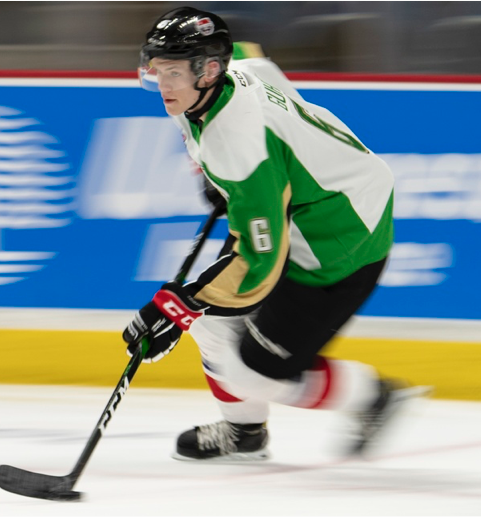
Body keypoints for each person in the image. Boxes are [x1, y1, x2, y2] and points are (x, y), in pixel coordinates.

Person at [123, 6, 427, 461]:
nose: (163, 85)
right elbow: (248, 50)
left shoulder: (240, 147)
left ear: (208, 70)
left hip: (338, 233)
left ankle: (373, 397)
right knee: (213, 324)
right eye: (157, 70)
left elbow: (259, 264)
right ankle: (244, 434)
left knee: (255, 372)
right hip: (307, 197)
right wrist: (214, 179)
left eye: (173, 72)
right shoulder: (229, 70)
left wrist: (179, 306)